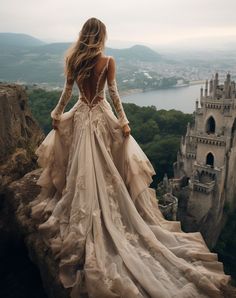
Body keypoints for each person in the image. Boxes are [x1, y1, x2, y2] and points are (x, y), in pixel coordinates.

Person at [30, 17, 233, 298]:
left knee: (82, 163)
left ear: (83, 35)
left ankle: (83, 201)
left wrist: (56, 114)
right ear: (101, 36)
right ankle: (103, 205)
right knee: (104, 164)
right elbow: (113, 95)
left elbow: (67, 92)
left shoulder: (74, 60)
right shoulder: (107, 61)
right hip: (100, 116)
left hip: (81, 116)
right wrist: (124, 123)